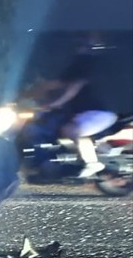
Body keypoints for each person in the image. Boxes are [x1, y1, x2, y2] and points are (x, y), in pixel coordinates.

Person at [41, 43, 118, 178]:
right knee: (60, 128)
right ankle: (92, 151)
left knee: (70, 130)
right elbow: (51, 85)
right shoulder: (72, 72)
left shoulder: (82, 74)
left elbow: (71, 90)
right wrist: (21, 96)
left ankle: (92, 162)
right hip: (91, 114)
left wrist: (54, 104)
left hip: (99, 114)